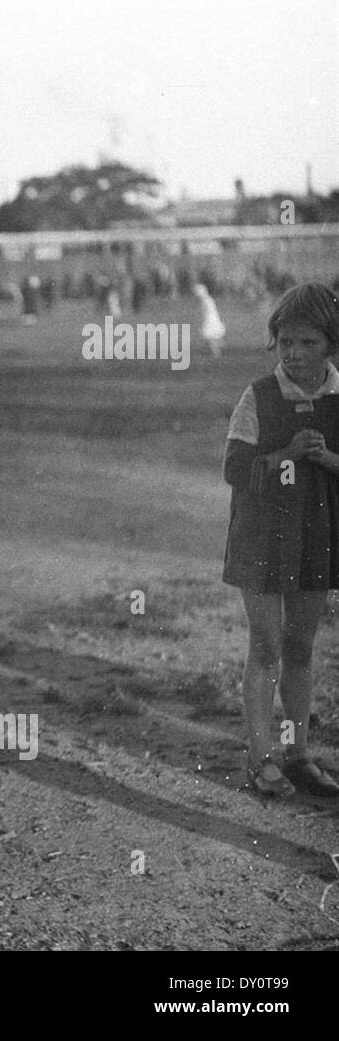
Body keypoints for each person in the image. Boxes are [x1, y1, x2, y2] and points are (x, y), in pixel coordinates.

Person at [223, 282, 339, 798]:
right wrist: (288, 454)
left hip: (315, 538)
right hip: (262, 540)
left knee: (299, 647)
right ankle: (261, 757)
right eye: (285, 341)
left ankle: (297, 754)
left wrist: (328, 460)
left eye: (307, 342)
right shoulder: (260, 395)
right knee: (266, 646)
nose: (294, 353)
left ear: (329, 345)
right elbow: (233, 469)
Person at [196, 283, 226, 358]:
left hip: (209, 320)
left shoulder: (205, 300)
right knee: (213, 337)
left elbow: (205, 312)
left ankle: (216, 353)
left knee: (210, 337)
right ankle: (217, 349)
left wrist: (202, 320)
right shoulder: (209, 299)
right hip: (214, 318)